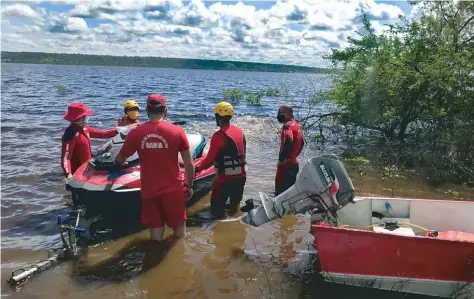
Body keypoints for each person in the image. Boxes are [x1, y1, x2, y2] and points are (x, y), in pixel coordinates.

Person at [114, 94, 195, 241]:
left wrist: (122, 164)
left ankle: (153, 258)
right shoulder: (177, 131)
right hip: (173, 190)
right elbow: (189, 164)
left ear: (146, 110)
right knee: (180, 235)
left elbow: (119, 159)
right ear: (166, 110)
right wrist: (189, 185)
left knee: (156, 236)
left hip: (149, 191)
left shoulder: (136, 133)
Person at [194, 101, 247, 218]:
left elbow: (208, 161)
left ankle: (218, 231)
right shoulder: (240, 131)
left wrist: (194, 169)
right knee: (234, 208)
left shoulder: (218, 136)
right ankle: (236, 227)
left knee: (216, 211)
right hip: (241, 177)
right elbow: (243, 152)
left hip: (225, 180)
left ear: (217, 117)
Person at [61, 102, 118, 179]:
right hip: (78, 173)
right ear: (79, 118)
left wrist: (119, 130)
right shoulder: (70, 134)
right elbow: (66, 158)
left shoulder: (85, 129)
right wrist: (68, 174)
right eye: (85, 117)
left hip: (87, 168)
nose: (87, 119)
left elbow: (103, 134)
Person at [275, 104, 304, 196]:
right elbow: (302, 143)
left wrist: (282, 159)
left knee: (280, 194)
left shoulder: (287, 126)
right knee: (289, 194)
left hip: (286, 167)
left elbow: (288, 140)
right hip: (294, 164)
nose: (278, 115)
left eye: (280, 112)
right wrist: (293, 156)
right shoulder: (296, 125)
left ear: (287, 114)